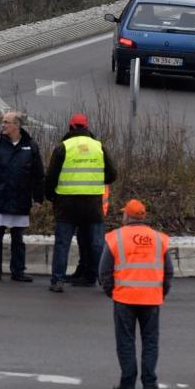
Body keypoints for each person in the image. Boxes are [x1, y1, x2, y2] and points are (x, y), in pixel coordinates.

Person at [99, 199, 172, 389]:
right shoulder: (159, 239)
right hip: (151, 299)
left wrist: (111, 291)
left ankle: (128, 382)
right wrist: (161, 292)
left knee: (125, 340)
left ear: (126, 216)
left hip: (125, 298)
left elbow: (104, 270)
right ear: (143, 216)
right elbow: (168, 272)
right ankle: (149, 382)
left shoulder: (116, 238)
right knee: (150, 341)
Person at [43, 113, 117, 293]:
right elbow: (112, 174)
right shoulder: (99, 146)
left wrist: (51, 196)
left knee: (63, 243)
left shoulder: (63, 147)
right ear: (87, 127)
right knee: (96, 243)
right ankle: (101, 279)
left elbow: (51, 176)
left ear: (71, 127)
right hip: (92, 204)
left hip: (67, 203)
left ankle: (57, 280)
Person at [0, 111, 44, 282]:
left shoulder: (31, 146)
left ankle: (18, 271)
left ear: (17, 125)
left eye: (6, 122)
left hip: (20, 199)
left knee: (18, 239)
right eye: (2, 122)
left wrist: (38, 199)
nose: (3, 125)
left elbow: (38, 175)